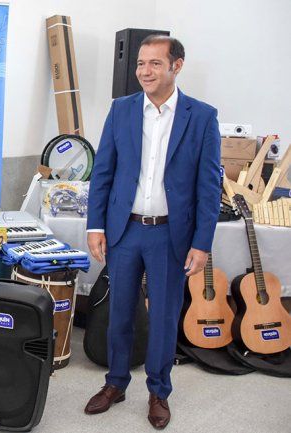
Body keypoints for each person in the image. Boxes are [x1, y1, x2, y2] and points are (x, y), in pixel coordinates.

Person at [85, 35, 221, 429]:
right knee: (118, 313)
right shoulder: (122, 110)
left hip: (169, 236)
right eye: (141, 63)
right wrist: (96, 225)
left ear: (176, 66)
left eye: (154, 64)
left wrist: (202, 242)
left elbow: (208, 187)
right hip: (125, 231)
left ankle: (159, 391)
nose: (144, 71)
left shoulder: (202, 116)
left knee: (163, 317)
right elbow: (104, 173)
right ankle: (115, 383)